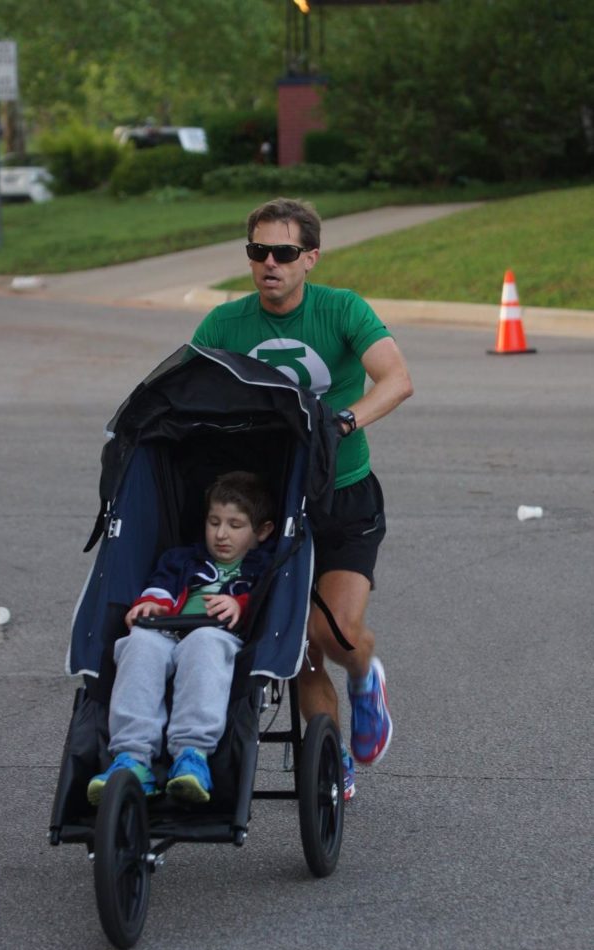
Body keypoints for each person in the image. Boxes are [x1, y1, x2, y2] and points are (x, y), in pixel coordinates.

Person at [192, 197, 413, 800]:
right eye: (258, 251)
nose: (270, 263)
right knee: (297, 649)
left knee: (332, 633)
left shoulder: (341, 310)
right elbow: (190, 396)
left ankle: (367, 679)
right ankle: (327, 757)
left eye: (284, 253)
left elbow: (396, 380)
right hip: (269, 508)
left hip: (342, 496)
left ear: (309, 258)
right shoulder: (223, 325)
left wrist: (342, 422)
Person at [87, 471, 275, 806]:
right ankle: (132, 757)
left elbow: (266, 605)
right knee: (138, 643)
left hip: (219, 637)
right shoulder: (182, 559)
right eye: (214, 521)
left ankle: (192, 754)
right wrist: (149, 604)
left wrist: (238, 603)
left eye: (235, 525)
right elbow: (160, 587)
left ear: (261, 532)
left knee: (204, 640)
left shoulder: (262, 568)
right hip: (168, 632)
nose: (220, 534)